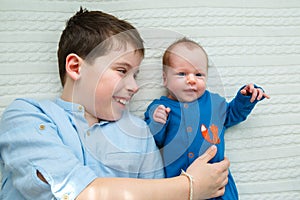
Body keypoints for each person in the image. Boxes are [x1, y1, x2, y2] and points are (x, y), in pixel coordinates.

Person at [0, 8, 230, 200]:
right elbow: (80, 193)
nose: (134, 86)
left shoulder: (139, 132)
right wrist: (189, 187)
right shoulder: (27, 116)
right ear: (75, 67)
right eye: (122, 70)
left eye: (136, 75)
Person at [144, 37, 270, 200]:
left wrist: (245, 98)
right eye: (182, 74)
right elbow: (152, 141)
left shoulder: (214, 103)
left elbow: (233, 114)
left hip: (218, 185)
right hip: (180, 188)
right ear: (165, 79)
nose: (191, 80)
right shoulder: (159, 108)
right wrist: (156, 123)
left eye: (199, 74)